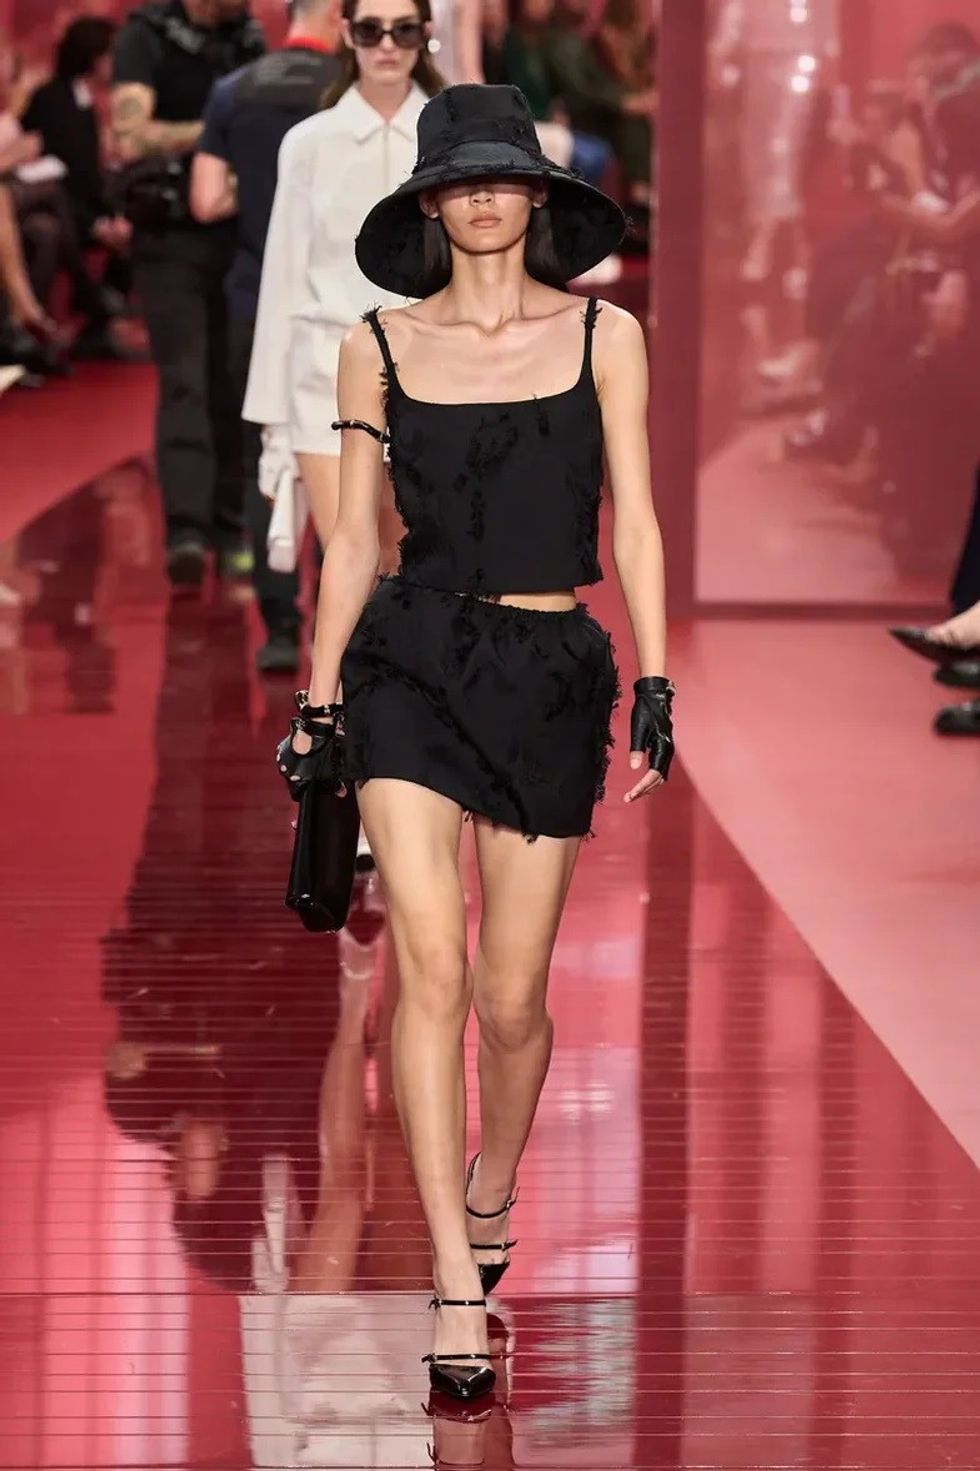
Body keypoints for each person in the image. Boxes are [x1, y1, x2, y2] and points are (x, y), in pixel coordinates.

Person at [278, 83, 673, 1399]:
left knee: (511, 1000)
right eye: (461, 180)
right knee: (431, 965)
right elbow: (352, 542)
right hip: (411, 661)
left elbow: (635, 519)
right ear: (430, 203)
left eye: (505, 177)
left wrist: (655, 674)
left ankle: (491, 1181)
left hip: (551, 670)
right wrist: (322, 699)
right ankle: (452, 1271)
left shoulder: (606, 334)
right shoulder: (376, 345)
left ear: (539, 196)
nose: (485, 198)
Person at [243, 0, 442, 572]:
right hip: (322, 377)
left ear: (425, 35)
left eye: (403, 30)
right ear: (346, 33)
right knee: (350, 570)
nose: (387, 45)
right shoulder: (309, 143)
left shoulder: (449, 140)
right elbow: (283, 278)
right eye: (371, 30)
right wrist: (274, 427)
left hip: (433, 375)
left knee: (411, 571)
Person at [191, 0, 342, 673]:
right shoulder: (352, 97)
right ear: (337, 17)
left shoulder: (234, 90)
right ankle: (339, 617)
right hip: (340, 300)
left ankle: (280, 627)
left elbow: (205, 199)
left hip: (259, 296)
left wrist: (256, 199)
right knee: (349, 455)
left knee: (268, 456)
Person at [111, 0, 266, 587]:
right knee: (184, 380)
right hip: (166, 235)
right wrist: (218, 130)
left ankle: (230, 527)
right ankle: (186, 531)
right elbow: (130, 137)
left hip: (237, 232)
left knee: (233, 380)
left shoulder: (248, 38)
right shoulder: (145, 36)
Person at [22, 17, 136, 358]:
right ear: (93, 57)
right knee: (52, 227)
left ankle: (99, 317)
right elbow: (59, 177)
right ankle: (95, 306)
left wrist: (113, 216)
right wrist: (96, 223)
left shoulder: (85, 104)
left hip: (81, 208)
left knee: (139, 218)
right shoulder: (51, 100)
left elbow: (89, 178)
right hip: (53, 205)